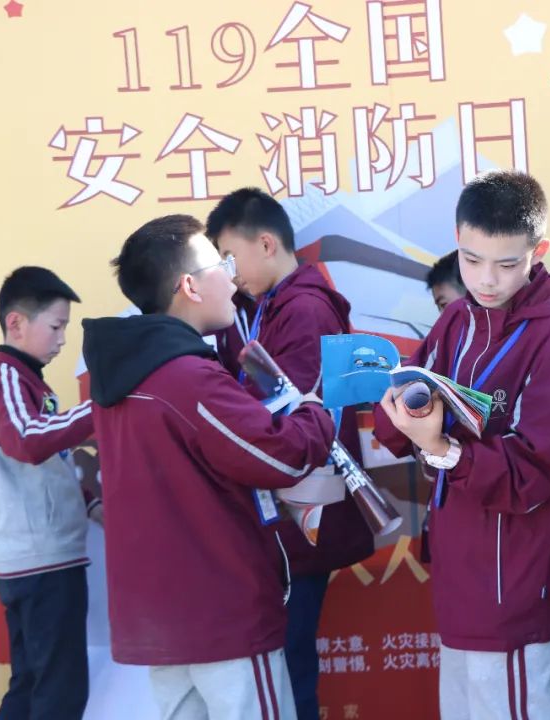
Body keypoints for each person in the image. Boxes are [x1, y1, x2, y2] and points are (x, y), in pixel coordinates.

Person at [83, 214, 336, 720]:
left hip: (163, 623)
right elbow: (281, 455)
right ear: (190, 286)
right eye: (220, 264)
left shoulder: (122, 376)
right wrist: (314, 413)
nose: (231, 276)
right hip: (222, 614)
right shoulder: (187, 378)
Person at [373, 170, 550, 719]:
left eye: (507, 264)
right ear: (457, 242)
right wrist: (400, 410)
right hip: (459, 569)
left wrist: (443, 448)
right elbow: (396, 420)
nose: (487, 279)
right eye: (471, 260)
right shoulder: (456, 318)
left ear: (538, 252)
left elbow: (538, 472)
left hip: (516, 577)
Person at [207, 188, 375, 720]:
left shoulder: (303, 308)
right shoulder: (267, 306)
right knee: (284, 659)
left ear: (265, 243)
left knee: (289, 661)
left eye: (230, 258)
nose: (228, 274)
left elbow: (293, 421)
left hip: (303, 512)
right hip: (287, 513)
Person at [0, 266, 98, 720]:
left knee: (32, 685)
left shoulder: (30, 383)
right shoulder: (7, 379)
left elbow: (51, 462)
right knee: (59, 692)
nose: (63, 339)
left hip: (39, 561)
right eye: (56, 326)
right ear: (16, 323)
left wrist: (89, 501)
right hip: (41, 563)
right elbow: (28, 440)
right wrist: (100, 408)